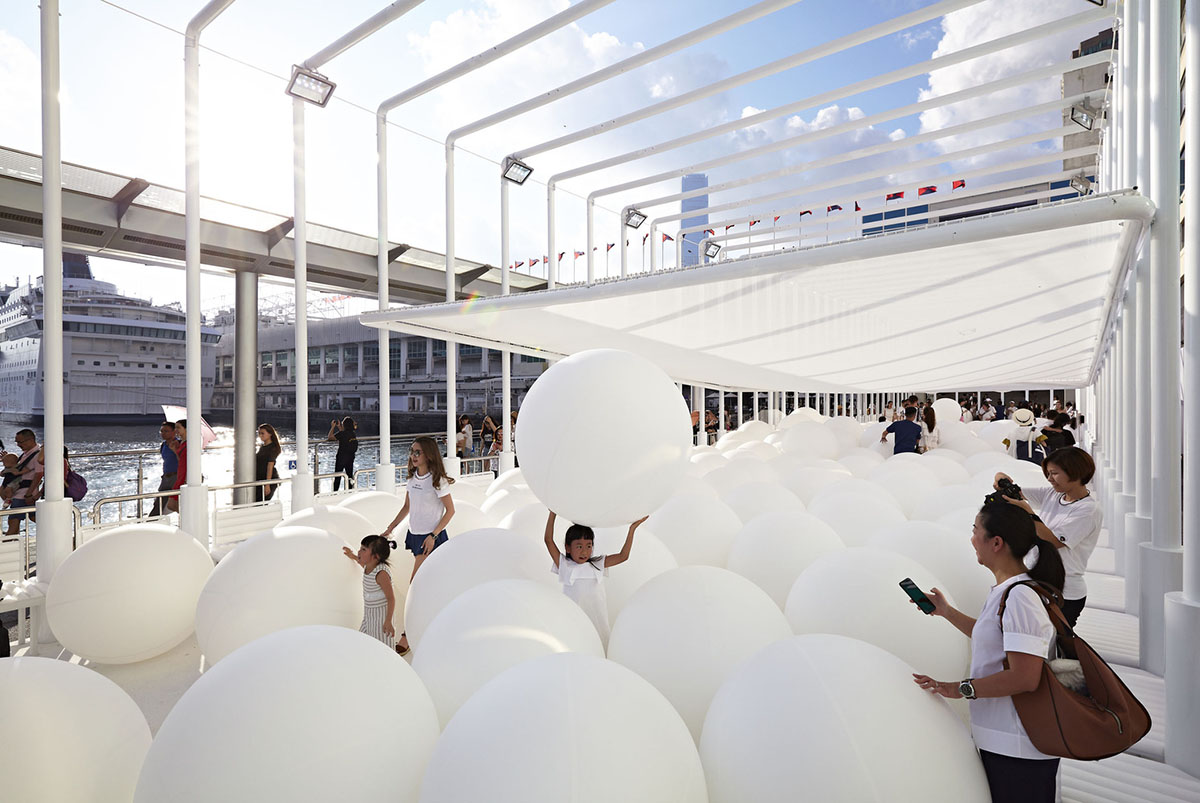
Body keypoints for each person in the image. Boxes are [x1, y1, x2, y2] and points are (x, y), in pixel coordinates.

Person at [912, 500, 1065, 803]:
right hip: (1005, 744)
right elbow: (993, 639)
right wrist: (946, 612)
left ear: (996, 543)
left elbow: (1025, 677)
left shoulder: (1021, 597)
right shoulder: (1007, 590)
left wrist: (959, 688)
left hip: (1019, 750)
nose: (971, 539)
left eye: (975, 531)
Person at [994, 447, 1101, 627]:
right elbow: (1017, 493)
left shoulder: (1088, 510)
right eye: (1048, 473)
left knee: (1052, 644)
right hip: (1041, 583)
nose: (1050, 479)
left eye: (1054, 473)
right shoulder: (1054, 494)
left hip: (1065, 592)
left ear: (1075, 473)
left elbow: (1054, 542)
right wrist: (1000, 477)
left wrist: (1029, 513)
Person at [380, 436, 456, 655]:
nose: (413, 456)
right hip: (416, 536)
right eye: (411, 451)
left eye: (417, 452)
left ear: (428, 454)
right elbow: (407, 506)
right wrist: (391, 528)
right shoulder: (413, 478)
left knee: (416, 585)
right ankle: (428, 627)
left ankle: (407, 635)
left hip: (431, 539)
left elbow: (450, 511)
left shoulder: (437, 480)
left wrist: (433, 535)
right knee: (429, 586)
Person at [543, 510, 647, 642]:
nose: (584, 551)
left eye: (589, 546)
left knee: (600, 643)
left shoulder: (597, 564)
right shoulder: (564, 565)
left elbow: (623, 556)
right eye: (579, 546)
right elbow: (548, 540)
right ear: (568, 548)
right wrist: (553, 512)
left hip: (597, 620)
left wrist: (632, 530)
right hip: (574, 618)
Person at [343, 535, 397, 649]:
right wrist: (351, 555)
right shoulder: (368, 566)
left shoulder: (381, 573)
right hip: (368, 616)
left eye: (363, 550)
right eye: (360, 548)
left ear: (375, 557)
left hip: (381, 619)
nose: (359, 551)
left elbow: (391, 598)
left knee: (381, 646)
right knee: (362, 640)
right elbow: (360, 562)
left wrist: (388, 621)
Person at [3, 429, 43, 536]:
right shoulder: (27, 454)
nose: (18, 445)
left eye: (20, 442)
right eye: (17, 442)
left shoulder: (37, 455)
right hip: (21, 492)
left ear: (30, 440)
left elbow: (39, 474)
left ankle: (6, 544)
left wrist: (30, 494)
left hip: (24, 493)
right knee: (33, 516)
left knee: (13, 519)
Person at [149, 421, 179, 517]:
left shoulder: (178, 444)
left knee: (173, 502)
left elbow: (183, 460)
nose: (163, 433)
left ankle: (152, 521)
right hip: (166, 477)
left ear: (174, 432)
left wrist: (175, 450)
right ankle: (152, 521)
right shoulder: (163, 445)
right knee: (159, 502)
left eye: (166, 431)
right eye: (161, 431)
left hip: (176, 477)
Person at [327, 416, 358, 491]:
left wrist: (333, 427)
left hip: (341, 458)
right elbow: (343, 435)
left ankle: (335, 492)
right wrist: (339, 427)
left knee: (338, 476)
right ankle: (350, 491)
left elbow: (330, 437)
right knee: (349, 475)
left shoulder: (342, 434)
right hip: (350, 457)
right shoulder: (353, 433)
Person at [254, 424, 282, 502]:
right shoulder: (263, 446)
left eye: (262, 433)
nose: (260, 436)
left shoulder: (273, 448)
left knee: (261, 503)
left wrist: (267, 484)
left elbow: (270, 466)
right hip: (260, 479)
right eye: (259, 433)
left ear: (270, 434)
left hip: (269, 479)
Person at [165, 420, 187, 514]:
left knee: (172, 504)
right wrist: (175, 450)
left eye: (178, 427)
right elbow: (180, 460)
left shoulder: (190, 443)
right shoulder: (182, 443)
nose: (176, 430)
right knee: (173, 504)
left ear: (186, 429)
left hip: (184, 476)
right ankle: (186, 520)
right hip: (180, 474)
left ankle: (187, 520)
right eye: (175, 427)